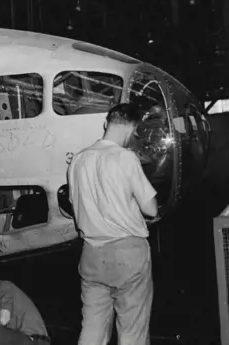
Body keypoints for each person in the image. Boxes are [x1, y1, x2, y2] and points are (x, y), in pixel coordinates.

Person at [67, 102, 158, 345]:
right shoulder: (125, 158)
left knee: (92, 329)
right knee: (132, 330)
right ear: (131, 130)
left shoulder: (78, 160)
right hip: (127, 255)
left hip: (91, 254)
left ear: (106, 123)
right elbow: (151, 208)